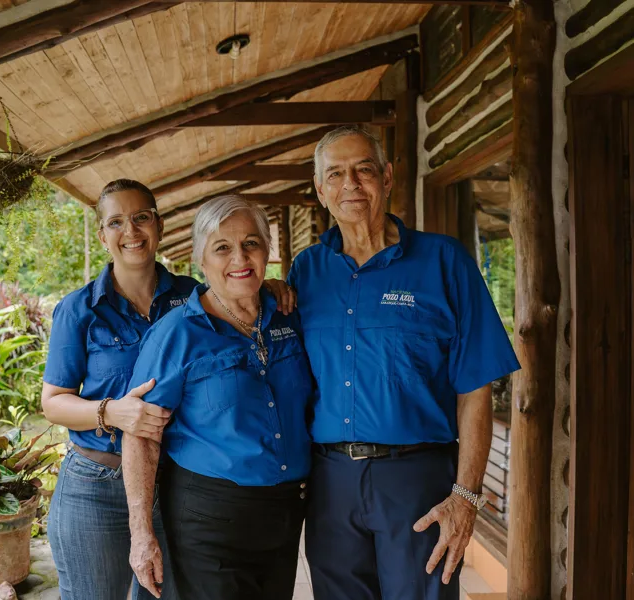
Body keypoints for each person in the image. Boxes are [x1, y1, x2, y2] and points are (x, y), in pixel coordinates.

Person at [287, 125, 520, 600]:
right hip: (330, 481)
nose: (350, 183)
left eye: (363, 170)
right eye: (335, 174)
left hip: (418, 481)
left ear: (387, 178)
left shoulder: (444, 261)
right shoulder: (305, 271)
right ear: (320, 190)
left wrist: (466, 495)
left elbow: (474, 387)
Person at [122, 195, 313, 600]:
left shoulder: (287, 315)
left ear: (267, 252)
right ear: (200, 262)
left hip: (284, 515)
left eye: (251, 243)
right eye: (222, 248)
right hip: (210, 520)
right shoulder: (177, 334)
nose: (239, 257)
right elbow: (140, 435)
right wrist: (141, 534)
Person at [41, 178, 195, 600]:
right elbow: (53, 403)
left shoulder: (195, 298)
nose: (131, 231)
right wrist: (110, 412)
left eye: (141, 217)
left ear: (159, 225)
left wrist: (273, 288)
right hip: (96, 485)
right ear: (102, 234)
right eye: (116, 222)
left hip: (174, 480)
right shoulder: (79, 309)